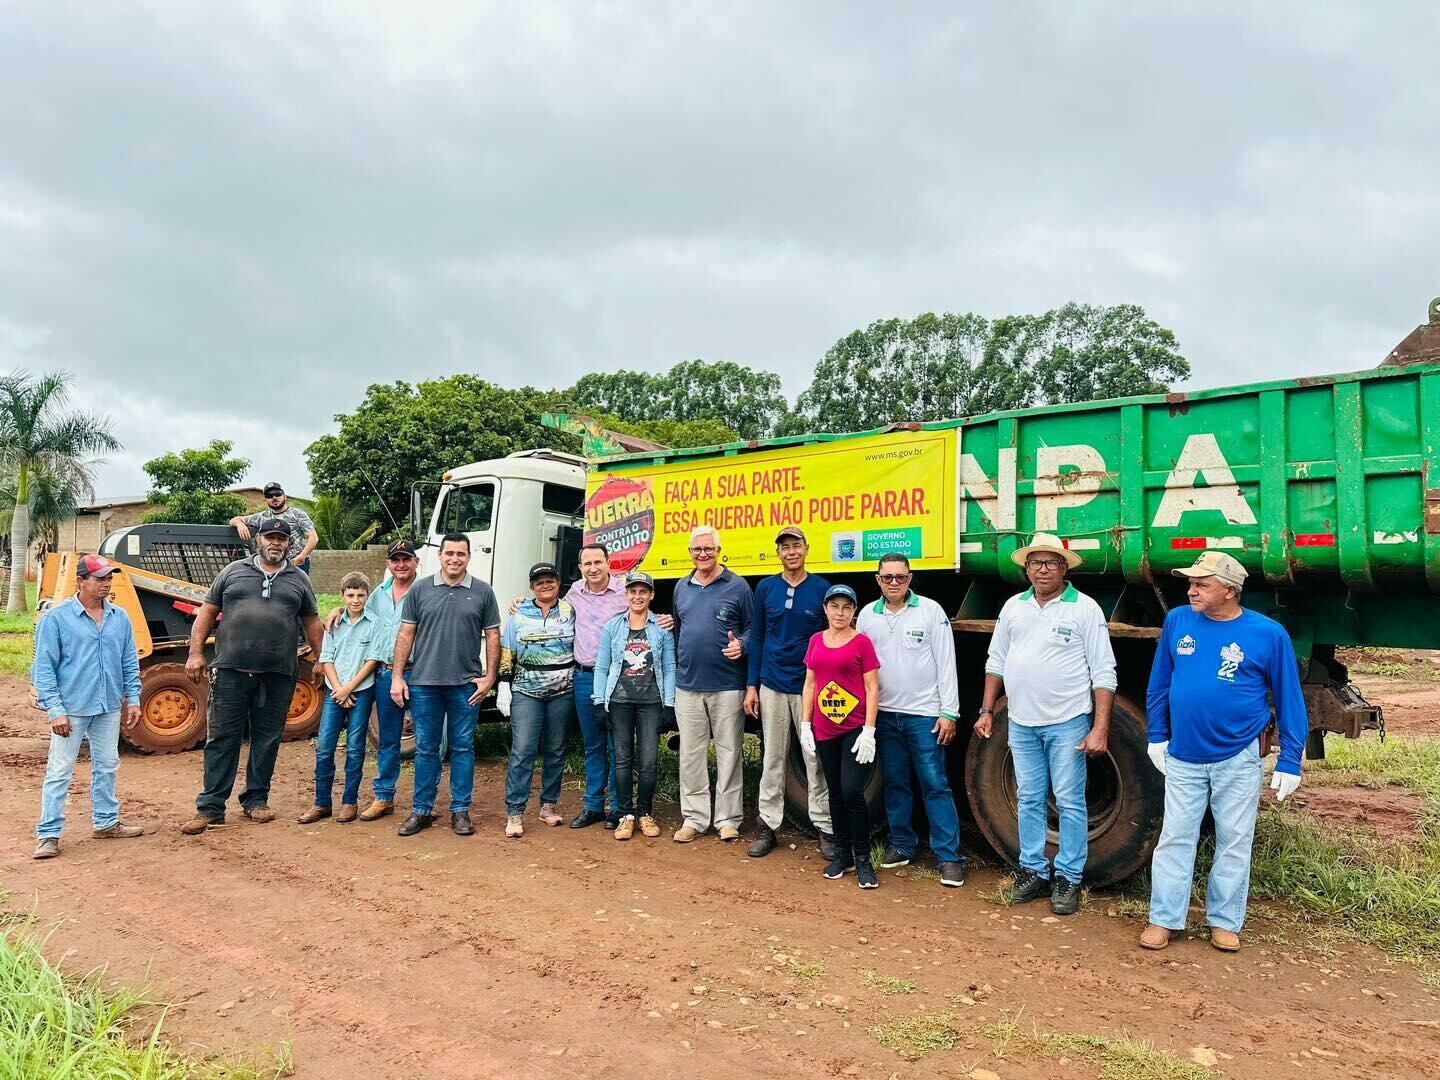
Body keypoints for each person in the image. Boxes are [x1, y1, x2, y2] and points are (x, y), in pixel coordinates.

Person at [1141, 551, 1306, 953]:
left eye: (1202, 584)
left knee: (1234, 839)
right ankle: (1164, 919)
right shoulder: (1178, 620)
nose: (1191, 590)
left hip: (1238, 756)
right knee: (1175, 837)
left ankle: (1224, 921)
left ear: (1230, 590)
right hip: (1183, 755)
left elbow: (1289, 697)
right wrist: (1157, 733)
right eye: (1190, 583)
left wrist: (1290, 757)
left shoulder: (1267, 634)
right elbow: (1160, 681)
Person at [975, 533, 1117, 915]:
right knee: (1030, 798)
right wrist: (987, 711)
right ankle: (1033, 871)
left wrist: (1099, 727)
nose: (1042, 569)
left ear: (1064, 568)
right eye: (1035, 563)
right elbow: (996, 661)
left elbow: (1104, 672)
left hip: (1068, 722)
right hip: (1021, 723)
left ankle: (1068, 876)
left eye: (1051, 563)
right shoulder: (1014, 607)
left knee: (1070, 800)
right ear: (1026, 569)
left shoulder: (1084, 609)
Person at [181, 518, 323, 834]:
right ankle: (210, 807)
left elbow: (312, 622)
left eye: (282, 539)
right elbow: (206, 612)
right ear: (259, 540)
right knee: (222, 739)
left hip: (278, 674)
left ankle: (256, 801)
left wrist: (320, 659)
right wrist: (194, 653)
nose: (276, 543)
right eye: (270, 538)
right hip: (231, 671)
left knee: (267, 739)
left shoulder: (298, 579)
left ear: (289, 544)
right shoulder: (232, 572)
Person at [856, 552, 966, 888]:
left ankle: (949, 857)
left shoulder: (930, 611)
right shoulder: (866, 617)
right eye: (887, 577)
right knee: (896, 782)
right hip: (885, 714)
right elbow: (858, 665)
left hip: (924, 715)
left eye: (899, 577)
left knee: (934, 784)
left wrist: (949, 712)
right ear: (877, 580)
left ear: (910, 578)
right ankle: (902, 844)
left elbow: (947, 663)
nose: (893, 583)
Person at [32, 554, 144, 859]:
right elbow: (43, 668)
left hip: (108, 707)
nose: (106, 584)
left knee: (107, 765)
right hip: (72, 709)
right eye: (100, 579)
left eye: (109, 579)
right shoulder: (57, 619)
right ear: (81, 581)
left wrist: (133, 699)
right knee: (59, 770)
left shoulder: (118, 617)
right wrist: (55, 710)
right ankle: (48, 834)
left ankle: (106, 822)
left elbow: (128, 662)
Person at [391, 532, 501, 837]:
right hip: (424, 683)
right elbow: (405, 635)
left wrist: (490, 677)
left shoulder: (482, 592)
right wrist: (399, 676)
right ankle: (421, 811)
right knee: (426, 749)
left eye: (461, 554)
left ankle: (460, 810)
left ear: (469, 557)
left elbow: (493, 636)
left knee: (463, 748)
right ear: (439, 556)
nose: (455, 559)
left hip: (466, 685)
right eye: (449, 553)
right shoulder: (420, 590)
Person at [744, 527, 835, 859]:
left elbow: (830, 640)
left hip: (809, 689)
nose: (791, 551)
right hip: (771, 685)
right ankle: (767, 826)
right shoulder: (766, 588)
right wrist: (752, 685)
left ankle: (825, 828)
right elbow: (756, 638)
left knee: (814, 758)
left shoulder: (822, 589)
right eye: (785, 546)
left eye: (796, 545)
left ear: (807, 549)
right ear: (778, 553)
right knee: (773, 758)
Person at [670, 525, 753, 844]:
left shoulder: (738, 586)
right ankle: (694, 817)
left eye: (708, 549)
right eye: (696, 550)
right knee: (690, 754)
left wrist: (742, 646)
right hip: (688, 686)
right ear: (690, 553)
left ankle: (728, 820)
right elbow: (679, 630)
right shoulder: (681, 587)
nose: (702, 554)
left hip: (727, 685)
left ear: (719, 550)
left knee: (729, 752)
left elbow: (751, 629)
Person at [800, 584, 881, 888]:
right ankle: (842, 855)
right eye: (835, 606)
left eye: (847, 607)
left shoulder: (862, 643)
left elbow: (872, 687)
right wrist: (806, 724)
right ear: (825, 609)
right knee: (833, 791)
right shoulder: (816, 641)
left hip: (854, 729)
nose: (840, 613)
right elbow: (810, 683)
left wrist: (869, 730)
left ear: (854, 612)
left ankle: (863, 859)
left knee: (851, 792)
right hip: (825, 729)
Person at [593, 570, 676, 841]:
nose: (637, 596)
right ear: (626, 594)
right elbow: (602, 666)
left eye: (643, 591)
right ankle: (625, 814)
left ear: (651, 595)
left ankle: (644, 812)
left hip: (651, 702)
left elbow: (669, 666)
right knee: (622, 759)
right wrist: (598, 702)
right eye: (633, 591)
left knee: (649, 760)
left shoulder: (661, 628)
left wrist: (669, 705)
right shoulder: (612, 627)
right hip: (620, 702)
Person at [497, 562, 577, 838]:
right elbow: (508, 650)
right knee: (523, 751)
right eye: (539, 581)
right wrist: (503, 684)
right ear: (532, 586)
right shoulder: (519, 613)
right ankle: (515, 811)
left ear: (558, 583)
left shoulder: (570, 611)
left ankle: (548, 806)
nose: (546, 585)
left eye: (550, 580)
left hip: (563, 692)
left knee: (556, 750)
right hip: (526, 691)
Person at [299, 572, 379, 825]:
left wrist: (349, 688)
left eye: (360, 595)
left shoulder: (374, 623)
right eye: (351, 595)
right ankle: (321, 803)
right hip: (336, 691)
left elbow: (372, 660)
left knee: (355, 748)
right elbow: (327, 658)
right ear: (342, 596)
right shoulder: (334, 624)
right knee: (324, 747)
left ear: (367, 596)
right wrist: (338, 689)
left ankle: (349, 801)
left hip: (361, 690)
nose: (355, 600)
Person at [561, 543, 629, 830]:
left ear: (608, 563)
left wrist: (664, 619)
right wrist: (520, 603)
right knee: (593, 744)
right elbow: (549, 608)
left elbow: (644, 616)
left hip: (620, 678)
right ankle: (592, 805)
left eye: (598, 562)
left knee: (618, 745)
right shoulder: (574, 592)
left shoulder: (625, 592)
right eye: (587, 563)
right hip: (585, 677)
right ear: (580, 568)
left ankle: (617, 807)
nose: (593, 568)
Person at [359, 539, 420, 820]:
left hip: (420, 673)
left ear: (416, 562)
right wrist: (336, 611)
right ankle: (384, 797)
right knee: (388, 738)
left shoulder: (426, 591)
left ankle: (423, 803)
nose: (401, 564)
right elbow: (360, 619)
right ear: (388, 565)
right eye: (395, 560)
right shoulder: (378, 595)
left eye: (406, 558)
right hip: (385, 672)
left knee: (428, 741)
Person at [231, 482, 319, 572]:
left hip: (296, 562)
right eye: (269, 496)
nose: (274, 498)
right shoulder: (262, 516)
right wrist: (240, 524)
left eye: (278, 494)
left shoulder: (297, 514)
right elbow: (235, 519)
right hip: (272, 563)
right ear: (265, 500)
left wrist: (302, 556)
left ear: (285, 496)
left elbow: (313, 537)